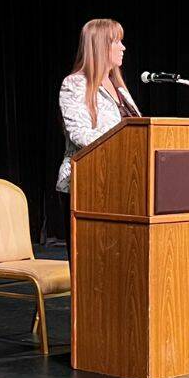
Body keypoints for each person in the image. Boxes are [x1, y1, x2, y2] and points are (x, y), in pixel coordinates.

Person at [47, 18, 141, 242]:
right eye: (117, 41)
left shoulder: (120, 89)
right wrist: (122, 148)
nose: (123, 47)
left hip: (122, 184)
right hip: (88, 184)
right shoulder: (75, 84)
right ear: (100, 46)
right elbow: (79, 134)